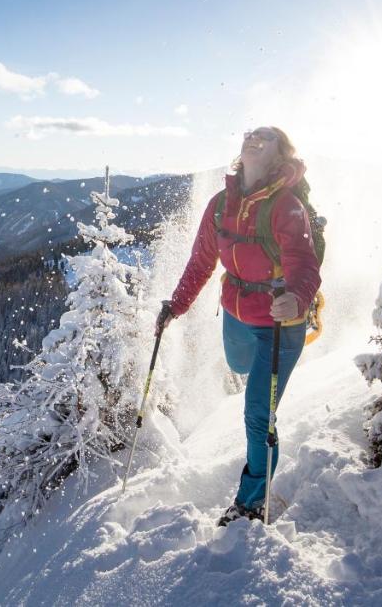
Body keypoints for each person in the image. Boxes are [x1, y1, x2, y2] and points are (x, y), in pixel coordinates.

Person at [161, 125, 321, 525]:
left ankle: (251, 502)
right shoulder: (220, 204)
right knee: (238, 366)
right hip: (235, 313)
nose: (255, 139)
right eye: (251, 134)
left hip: (280, 323)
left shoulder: (286, 207)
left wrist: (296, 299)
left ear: (280, 154)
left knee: (257, 415)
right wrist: (175, 307)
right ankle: (260, 393)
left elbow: (306, 267)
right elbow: (201, 262)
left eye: (266, 138)